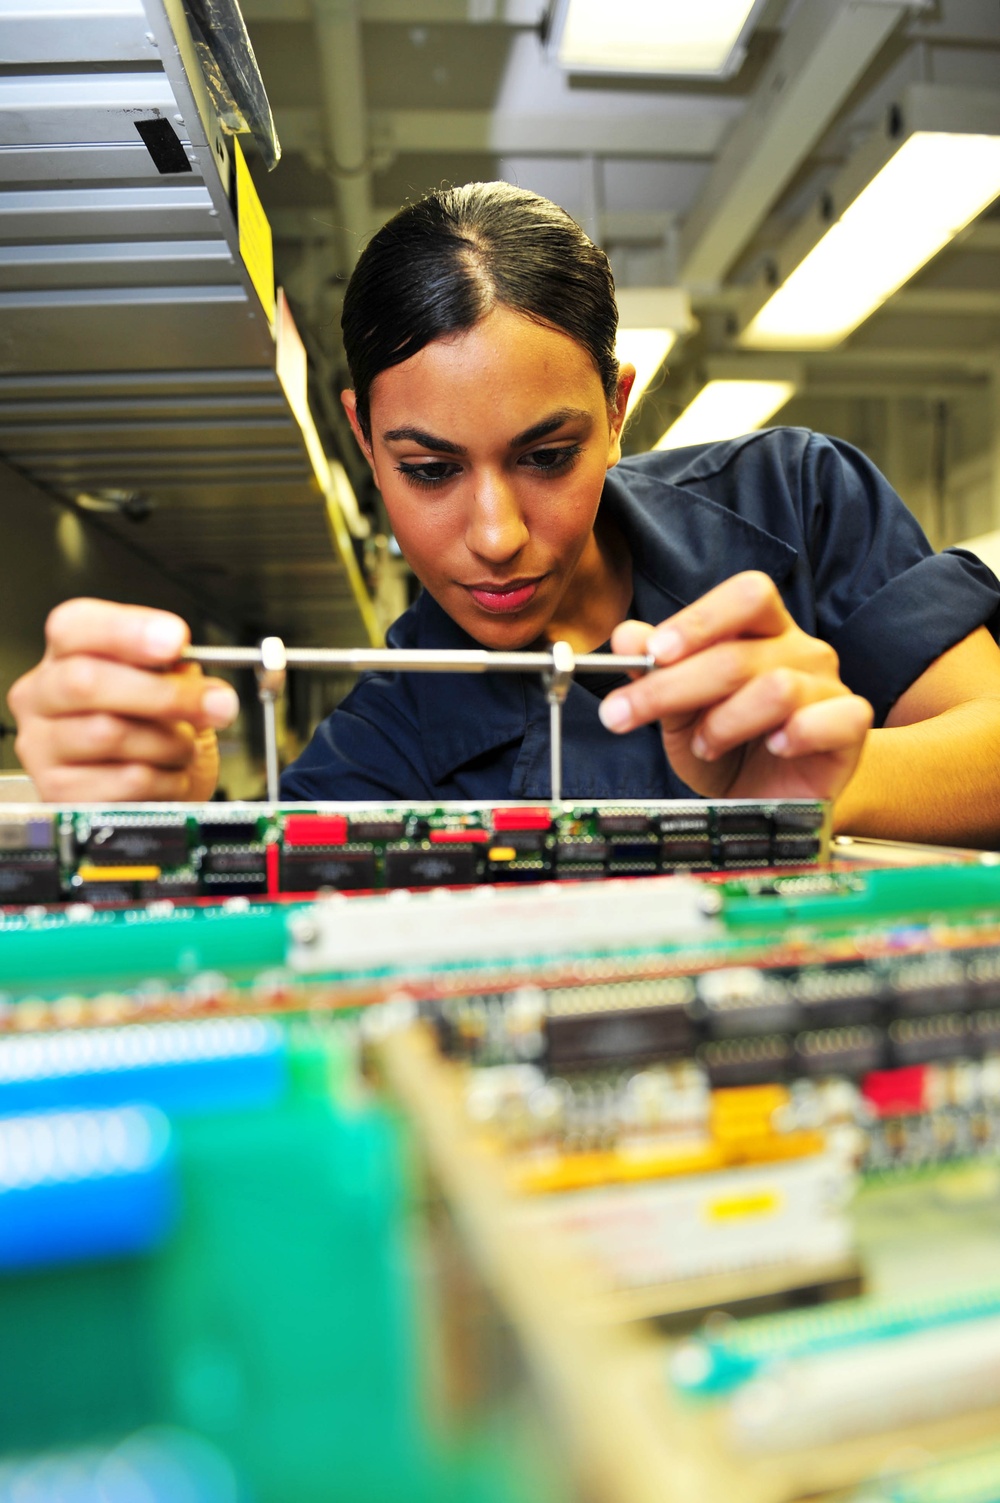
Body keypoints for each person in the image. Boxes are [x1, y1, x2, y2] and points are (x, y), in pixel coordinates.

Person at [9, 182, 1000, 845]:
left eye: (545, 456)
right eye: (430, 470)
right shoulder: (375, 754)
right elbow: (254, 948)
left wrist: (834, 782)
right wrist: (157, 826)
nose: (493, 535)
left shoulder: (796, 501)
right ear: (364, 442)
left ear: (615, 410)